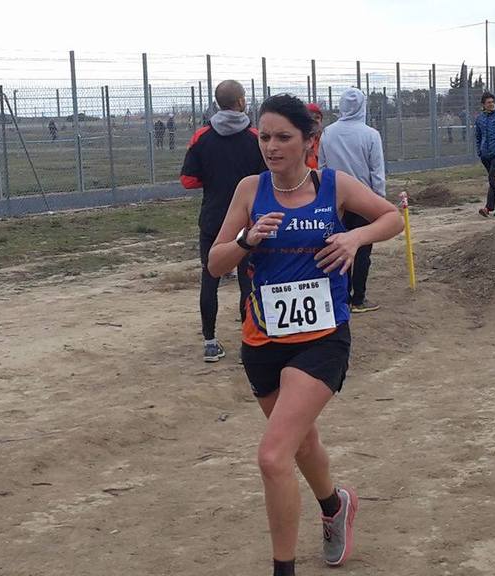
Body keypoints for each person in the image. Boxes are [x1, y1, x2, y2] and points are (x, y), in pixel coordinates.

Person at [206, 93, 403, 576]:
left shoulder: (334, 186)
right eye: (265, 137)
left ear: (309, 141)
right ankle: (335, 505)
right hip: (262, 342)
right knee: (300, 443)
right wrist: (246, 239)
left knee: (273, 456)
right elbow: (214, 263)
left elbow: (392, 217)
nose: (271, 147)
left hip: (322, 339)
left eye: (283, 137)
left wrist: (355, 237)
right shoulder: (250, 191)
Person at [180, 80, 266, 362]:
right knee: (247, 281)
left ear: (218, 103)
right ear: (240, 102)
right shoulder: (255, 138)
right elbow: (267, 178)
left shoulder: (201, 137)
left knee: (210, 277)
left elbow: (188, 180)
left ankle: (210, 342)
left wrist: (213, 178)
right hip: (247, 219)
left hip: (213, 218)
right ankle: (247, 341)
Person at [318, 87, 386, 314]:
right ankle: (359, 298)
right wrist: (379, 201)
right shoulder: (371, 134)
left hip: (335, 199)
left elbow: (322, 167)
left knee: (338, 248)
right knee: (363, 250)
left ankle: (341, 296)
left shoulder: (328, 133)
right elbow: (377, 171)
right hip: (364, 200)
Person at [305, 103, 323, 170]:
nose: (314, 120)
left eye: (317, 117)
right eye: (310, 117)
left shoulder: (325, 139)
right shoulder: (299, 141)